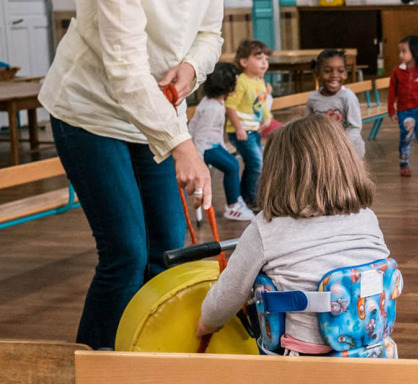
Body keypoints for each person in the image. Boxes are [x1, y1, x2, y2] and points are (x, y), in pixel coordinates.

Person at [38, 0, 220, 350]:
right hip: (91, 111)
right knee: (126, 254)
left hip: (158, 115)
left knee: (166, 250)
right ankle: (93, 365)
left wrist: (192, 66)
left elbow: (210, 33)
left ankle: (143, 356)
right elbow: (125, 71)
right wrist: (182, 146)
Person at [198, 115, 390, 355]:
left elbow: (226, 298)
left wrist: (205, 324)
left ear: (276, 175)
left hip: (304, 365)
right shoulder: (367, 218)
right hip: (374, 351)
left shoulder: (265, 229)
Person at [187, 62, 254, 221]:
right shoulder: (212, 108)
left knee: (232, 163)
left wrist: (223, 148)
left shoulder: (216, 102)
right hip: (204, 148)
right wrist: (198, 161)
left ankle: (235, 201)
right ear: (227, 86)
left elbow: (216, 131)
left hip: (212, 145)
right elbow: (200, 136)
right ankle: (232, 207)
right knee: (232, 166)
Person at [226, 39, 274, 209]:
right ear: (244, 62)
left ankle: (247, 195)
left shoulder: (260, 81)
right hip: (241, 131)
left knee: (254, 163)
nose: (264, 63)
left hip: (253, 130)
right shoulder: (242, 81)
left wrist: (267, 117)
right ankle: (250, 197)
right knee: (256, 163)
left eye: (266, 59)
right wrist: (238, 128)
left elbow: (261, 104)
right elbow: (230, 106)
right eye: (259, 58)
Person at [387, 35, 418, 176]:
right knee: (406, 138)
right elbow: (391, 92)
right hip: (404, 112)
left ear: (415, 51)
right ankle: (404, 164)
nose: (400, 55)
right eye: (399, 51)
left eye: (404, 51)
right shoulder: (397, 71)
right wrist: (391, 110)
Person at [307, 49, 365, 158]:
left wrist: (339, 145)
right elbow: (310, 125)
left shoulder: (348, 97)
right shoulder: (313, 98)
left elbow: (355, 127)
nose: (334, 75)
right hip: (325, 152)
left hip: (350, 153)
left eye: (340, 71)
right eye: (328, 71)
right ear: (317, 72)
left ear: (346, 73)